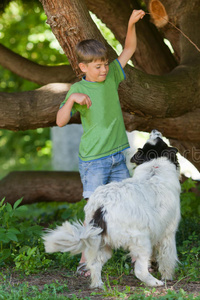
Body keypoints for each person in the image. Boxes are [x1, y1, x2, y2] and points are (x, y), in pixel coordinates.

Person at [56, 9, 146, 277]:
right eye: (98, 66)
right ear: (83, 67)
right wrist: (72, 100)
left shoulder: (112, 77)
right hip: (94, 160)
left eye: (105, 64)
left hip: (118, 154)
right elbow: (60, 120)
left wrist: (130, 23)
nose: (104, 69)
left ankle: (137, 255)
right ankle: (86, 259)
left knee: (127, 204)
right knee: (94, 210)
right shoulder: (78, 89)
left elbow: (129, 49)